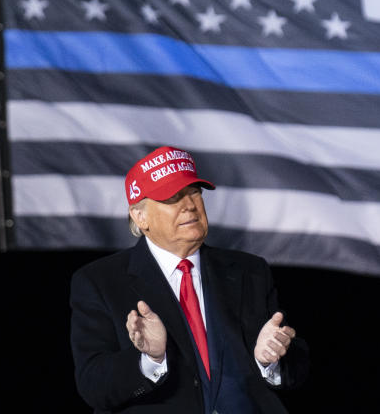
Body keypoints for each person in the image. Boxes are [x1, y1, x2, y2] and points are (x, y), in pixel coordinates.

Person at [70, 145, 309, 413]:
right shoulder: (100, 281)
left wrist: (270, 362)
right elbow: (93, 386)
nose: (189, 206)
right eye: (172, 198)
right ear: (140, 216)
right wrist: (149, 359)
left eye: (194, 192)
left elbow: (296, 371)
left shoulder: (250, 271)